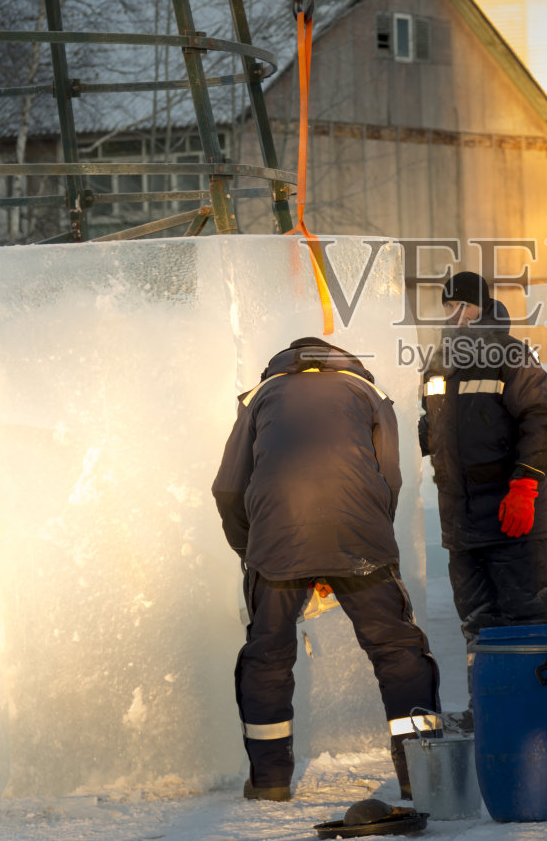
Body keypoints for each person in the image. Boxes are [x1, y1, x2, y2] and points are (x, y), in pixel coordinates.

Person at [213, 337, 441, 802]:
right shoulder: (368, 394)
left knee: (268, 656)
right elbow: (391, 476)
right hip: (361, 538)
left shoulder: (260, 398)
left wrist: (251, 550)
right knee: (398, 652)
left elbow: (229, 490)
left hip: (275, 542)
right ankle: (420, 774)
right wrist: (368, 536)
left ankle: (270, 781)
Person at [418, 271, 547, 654]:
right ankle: (485, 710)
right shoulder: (439, 363)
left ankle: (536, 713)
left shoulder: (510, 353)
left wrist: (525, 485)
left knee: (529, 623)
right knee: (477, 629)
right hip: (462, 527)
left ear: (482, 307)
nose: (454, 314)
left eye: (463, 305)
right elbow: (432, 426)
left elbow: (542, 416)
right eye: (448, 306)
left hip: (511, 522)